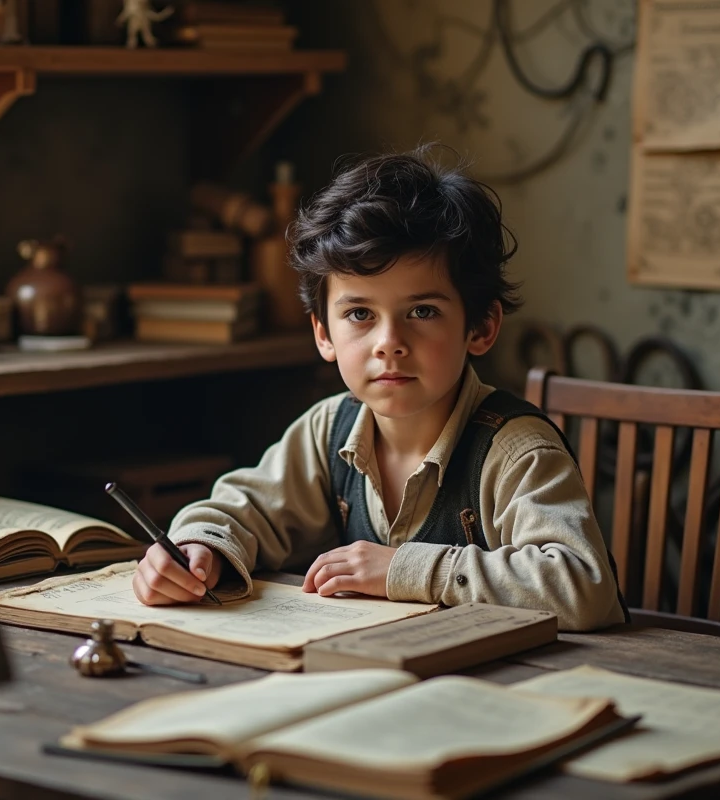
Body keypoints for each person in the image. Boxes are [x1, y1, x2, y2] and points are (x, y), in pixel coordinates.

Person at [132, 147, 626, 631]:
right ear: (323, 333)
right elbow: (245, 509)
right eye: (360, 314)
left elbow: (582, 586)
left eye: (422, 312)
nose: (389, 344)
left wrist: (400, 570)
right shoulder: (331, 428)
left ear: (480, 327)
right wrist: (201, 549)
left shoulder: (517, 452)